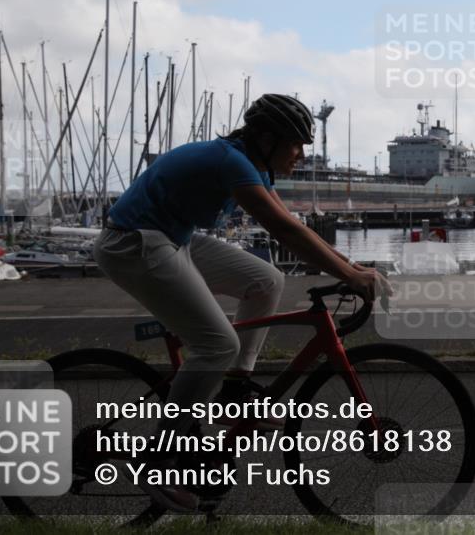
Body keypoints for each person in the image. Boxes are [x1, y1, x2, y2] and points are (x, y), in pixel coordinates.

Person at [93, 93, 387, 512]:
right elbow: (284, 232)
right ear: (266, 139)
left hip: (170, 237)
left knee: (265, 279)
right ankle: (159, 461)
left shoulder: (252, 166)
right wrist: (350, 276)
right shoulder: (231, 163)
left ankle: (234, 389)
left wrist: (353, 267)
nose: (301, 155)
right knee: (217, 344)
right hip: (133, 244)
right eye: (295, 144)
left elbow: (295, 226)